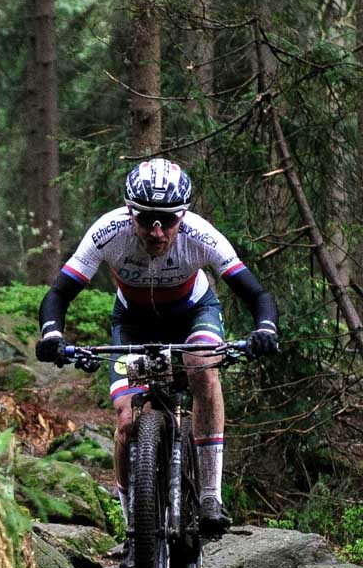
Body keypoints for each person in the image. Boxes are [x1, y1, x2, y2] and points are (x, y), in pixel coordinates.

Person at [35, 158, 280, 539]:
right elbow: (59, 293)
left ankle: (211, 496)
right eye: (147, 218)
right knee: (126, 419)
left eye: (167, 220)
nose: (157, 231)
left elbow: (256, 294)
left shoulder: (200, 235)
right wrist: (52, 334)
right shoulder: (108, 231)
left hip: (194, 313)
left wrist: (265, 328)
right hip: (133, 320)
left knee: (202, 365)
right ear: (129, 211)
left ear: (183, 215)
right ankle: (134, 530)